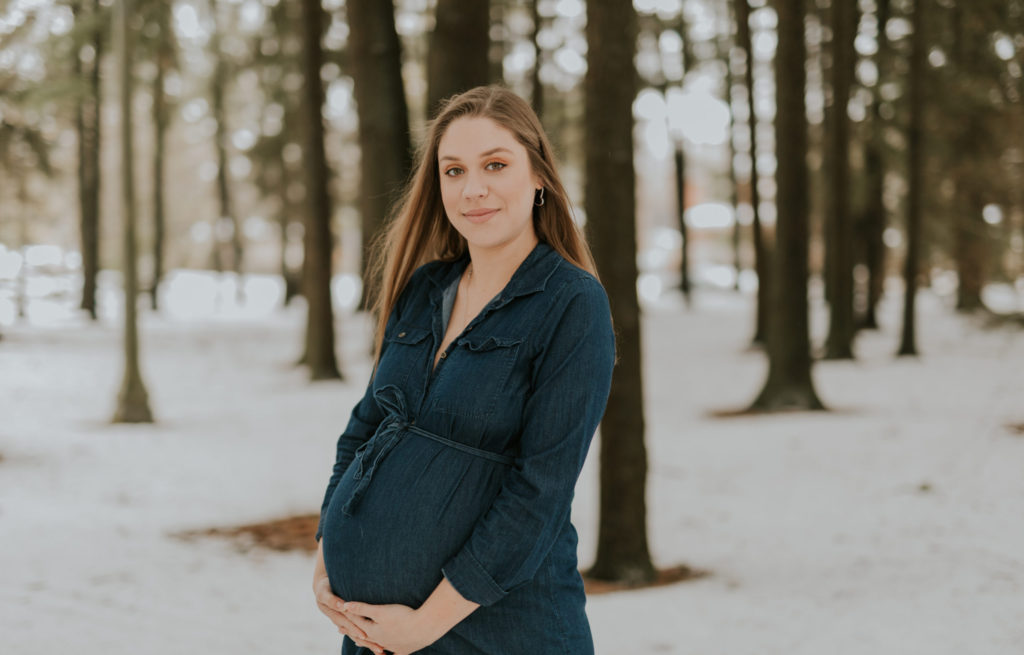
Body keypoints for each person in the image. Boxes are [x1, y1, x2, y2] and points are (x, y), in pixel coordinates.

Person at [312, 85, 615, 655]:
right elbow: (363, 430)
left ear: (539, 177)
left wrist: (426, 624)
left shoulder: (571, 302)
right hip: (377, 637)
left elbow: (539, 492)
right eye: (453, 171)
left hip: (502, 632)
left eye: (495, 165)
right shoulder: (426, 289)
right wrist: (327, 553)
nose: (472, 189)